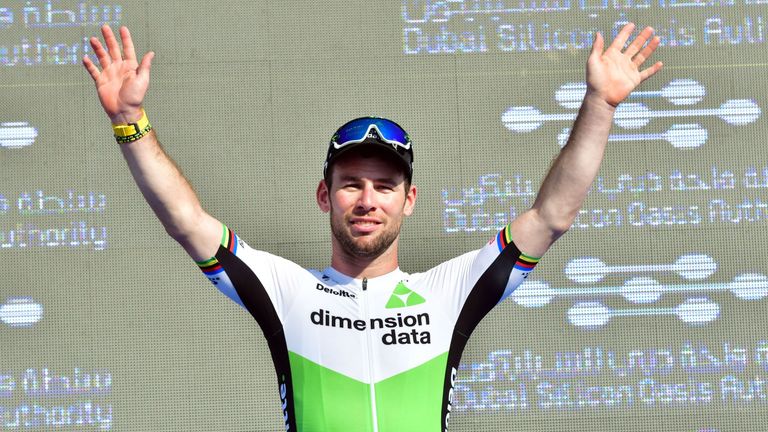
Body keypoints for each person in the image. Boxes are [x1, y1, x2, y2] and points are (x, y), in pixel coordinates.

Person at [83, 23, 662, 432]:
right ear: (324, 195)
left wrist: (601, 106)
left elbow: (552, 216)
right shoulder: (288, 292)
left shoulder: (449, 292)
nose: (367, 200)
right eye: (351, 184)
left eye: (385, 187)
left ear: (409, 200)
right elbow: (187, 222)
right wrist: (130, 122)